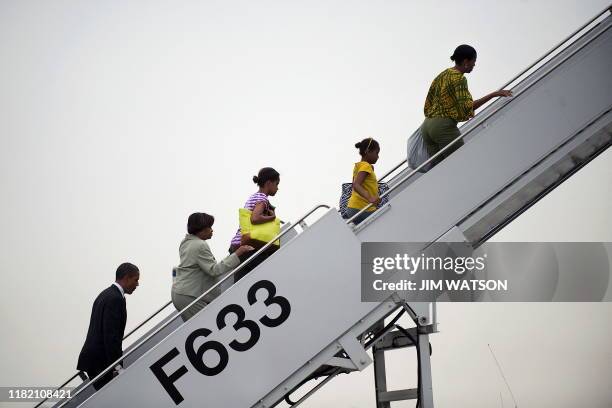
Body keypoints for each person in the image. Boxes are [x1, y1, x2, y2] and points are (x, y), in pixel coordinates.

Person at [421, 44, 513, 166]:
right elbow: (467, 107)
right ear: (466, 61)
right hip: (442, 126)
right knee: (462, 164)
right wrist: (494, 94)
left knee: (440, 171)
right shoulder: (459, 79)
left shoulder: (444, 74)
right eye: (473, 61)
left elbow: (430, 99)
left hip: (426, 127)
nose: (474, 65)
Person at [172, 212, 253, 321]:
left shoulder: (186, 242)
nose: (212, 230)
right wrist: (238, 253)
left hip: (180, 293)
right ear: (201, 228)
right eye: (209, 227)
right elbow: (214, 270)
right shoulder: (200, 245)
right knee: (207, 324)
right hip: (189, 295)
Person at [77, 262, 140, 390]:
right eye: (136, 280)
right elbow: (111, 336)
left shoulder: (105, 294)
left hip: (94, 360)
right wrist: (117, 366)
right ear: (126, 277)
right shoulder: (115, 299)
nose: (137, 284)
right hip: (101, 362)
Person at [229, 167, 280, 281]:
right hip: (247, 247)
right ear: (268, 183)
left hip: (237, 243)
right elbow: (255, 218)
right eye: (276, 184)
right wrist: (272, 217)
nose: (277, 188)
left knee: (241, 282)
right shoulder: (262, 198)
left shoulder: (254, 196)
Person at [345, 137, 381, 225]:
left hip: (353, 207)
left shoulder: (359, 166)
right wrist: (371, 198)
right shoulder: (366, 166)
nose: (378, 156)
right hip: (361, 208)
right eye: (376, 153)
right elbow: (356, 185)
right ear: (368, 151)